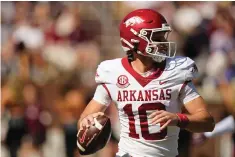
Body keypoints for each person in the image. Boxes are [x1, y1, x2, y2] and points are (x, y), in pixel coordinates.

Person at [78, 9, 215, 157]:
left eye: (163, 36)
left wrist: (178, 119)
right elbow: (84, 119)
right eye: (157, 37)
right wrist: (88, 123)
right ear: (134, 40)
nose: (163, 43)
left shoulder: (175, 71)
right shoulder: (113, 73)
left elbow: (207, 122)